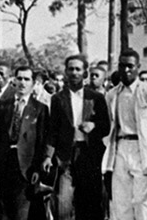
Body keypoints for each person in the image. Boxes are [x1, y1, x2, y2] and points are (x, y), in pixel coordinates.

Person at [42, 55, 110, 220]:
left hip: (89, 155)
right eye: (70, 69)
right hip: (66, 155)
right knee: (63, 204)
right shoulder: (58, 99)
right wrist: (48, 156)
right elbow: (53, 130)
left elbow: (106, 127)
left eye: (78, 69)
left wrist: (93, 126)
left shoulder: (96, 98)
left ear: (85, 73)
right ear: (65, 72)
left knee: (90, 204)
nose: (74, 73)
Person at [101, 49, 147, 220]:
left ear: (138, 67)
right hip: (120, 148)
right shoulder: (112, 94)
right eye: (122, 66)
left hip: (143, 150)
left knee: (144, 203)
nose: (126, 70)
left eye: (130, 66)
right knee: (121, 204)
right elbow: (108, 126)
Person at [0, 66, 49, 220]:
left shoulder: (40, 108)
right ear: (14, 81)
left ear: (33, 83)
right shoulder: (3, 105)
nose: (22, 83)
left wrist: (37, 168)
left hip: (25, 167)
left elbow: (41, 141)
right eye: (19, 78)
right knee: (2, 212)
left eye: (26, 79)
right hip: (3, 163)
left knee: (21, 212)